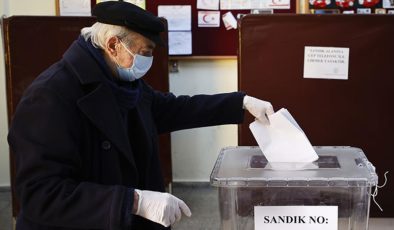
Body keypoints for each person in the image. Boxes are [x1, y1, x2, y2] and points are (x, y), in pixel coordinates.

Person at [7, 1, 274, 230]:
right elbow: (40, 194)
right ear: (113, 45)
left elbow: (172, 109)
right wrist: (134, 201)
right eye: (144, 53)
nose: (147, 61)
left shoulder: (121, 83)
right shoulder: (50, 96)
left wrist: (240, 103)